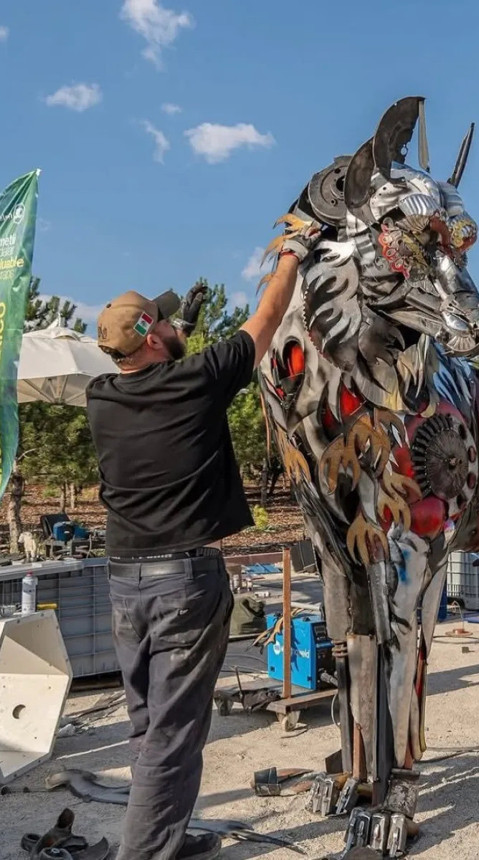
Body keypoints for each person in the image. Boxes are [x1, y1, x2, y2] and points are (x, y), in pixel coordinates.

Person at [86, 220, 321, 860]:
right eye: (160, 322)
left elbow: (165, 363)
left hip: (124, 579)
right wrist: (294, 252)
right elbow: (267, 318)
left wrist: (176, 326)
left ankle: (167, 835)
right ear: (151, 338)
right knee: (175, 731)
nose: (170, 326)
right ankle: (147, 854)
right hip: (183, 583)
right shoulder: (196, 382)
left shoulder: (102, 395)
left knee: (148, 723)